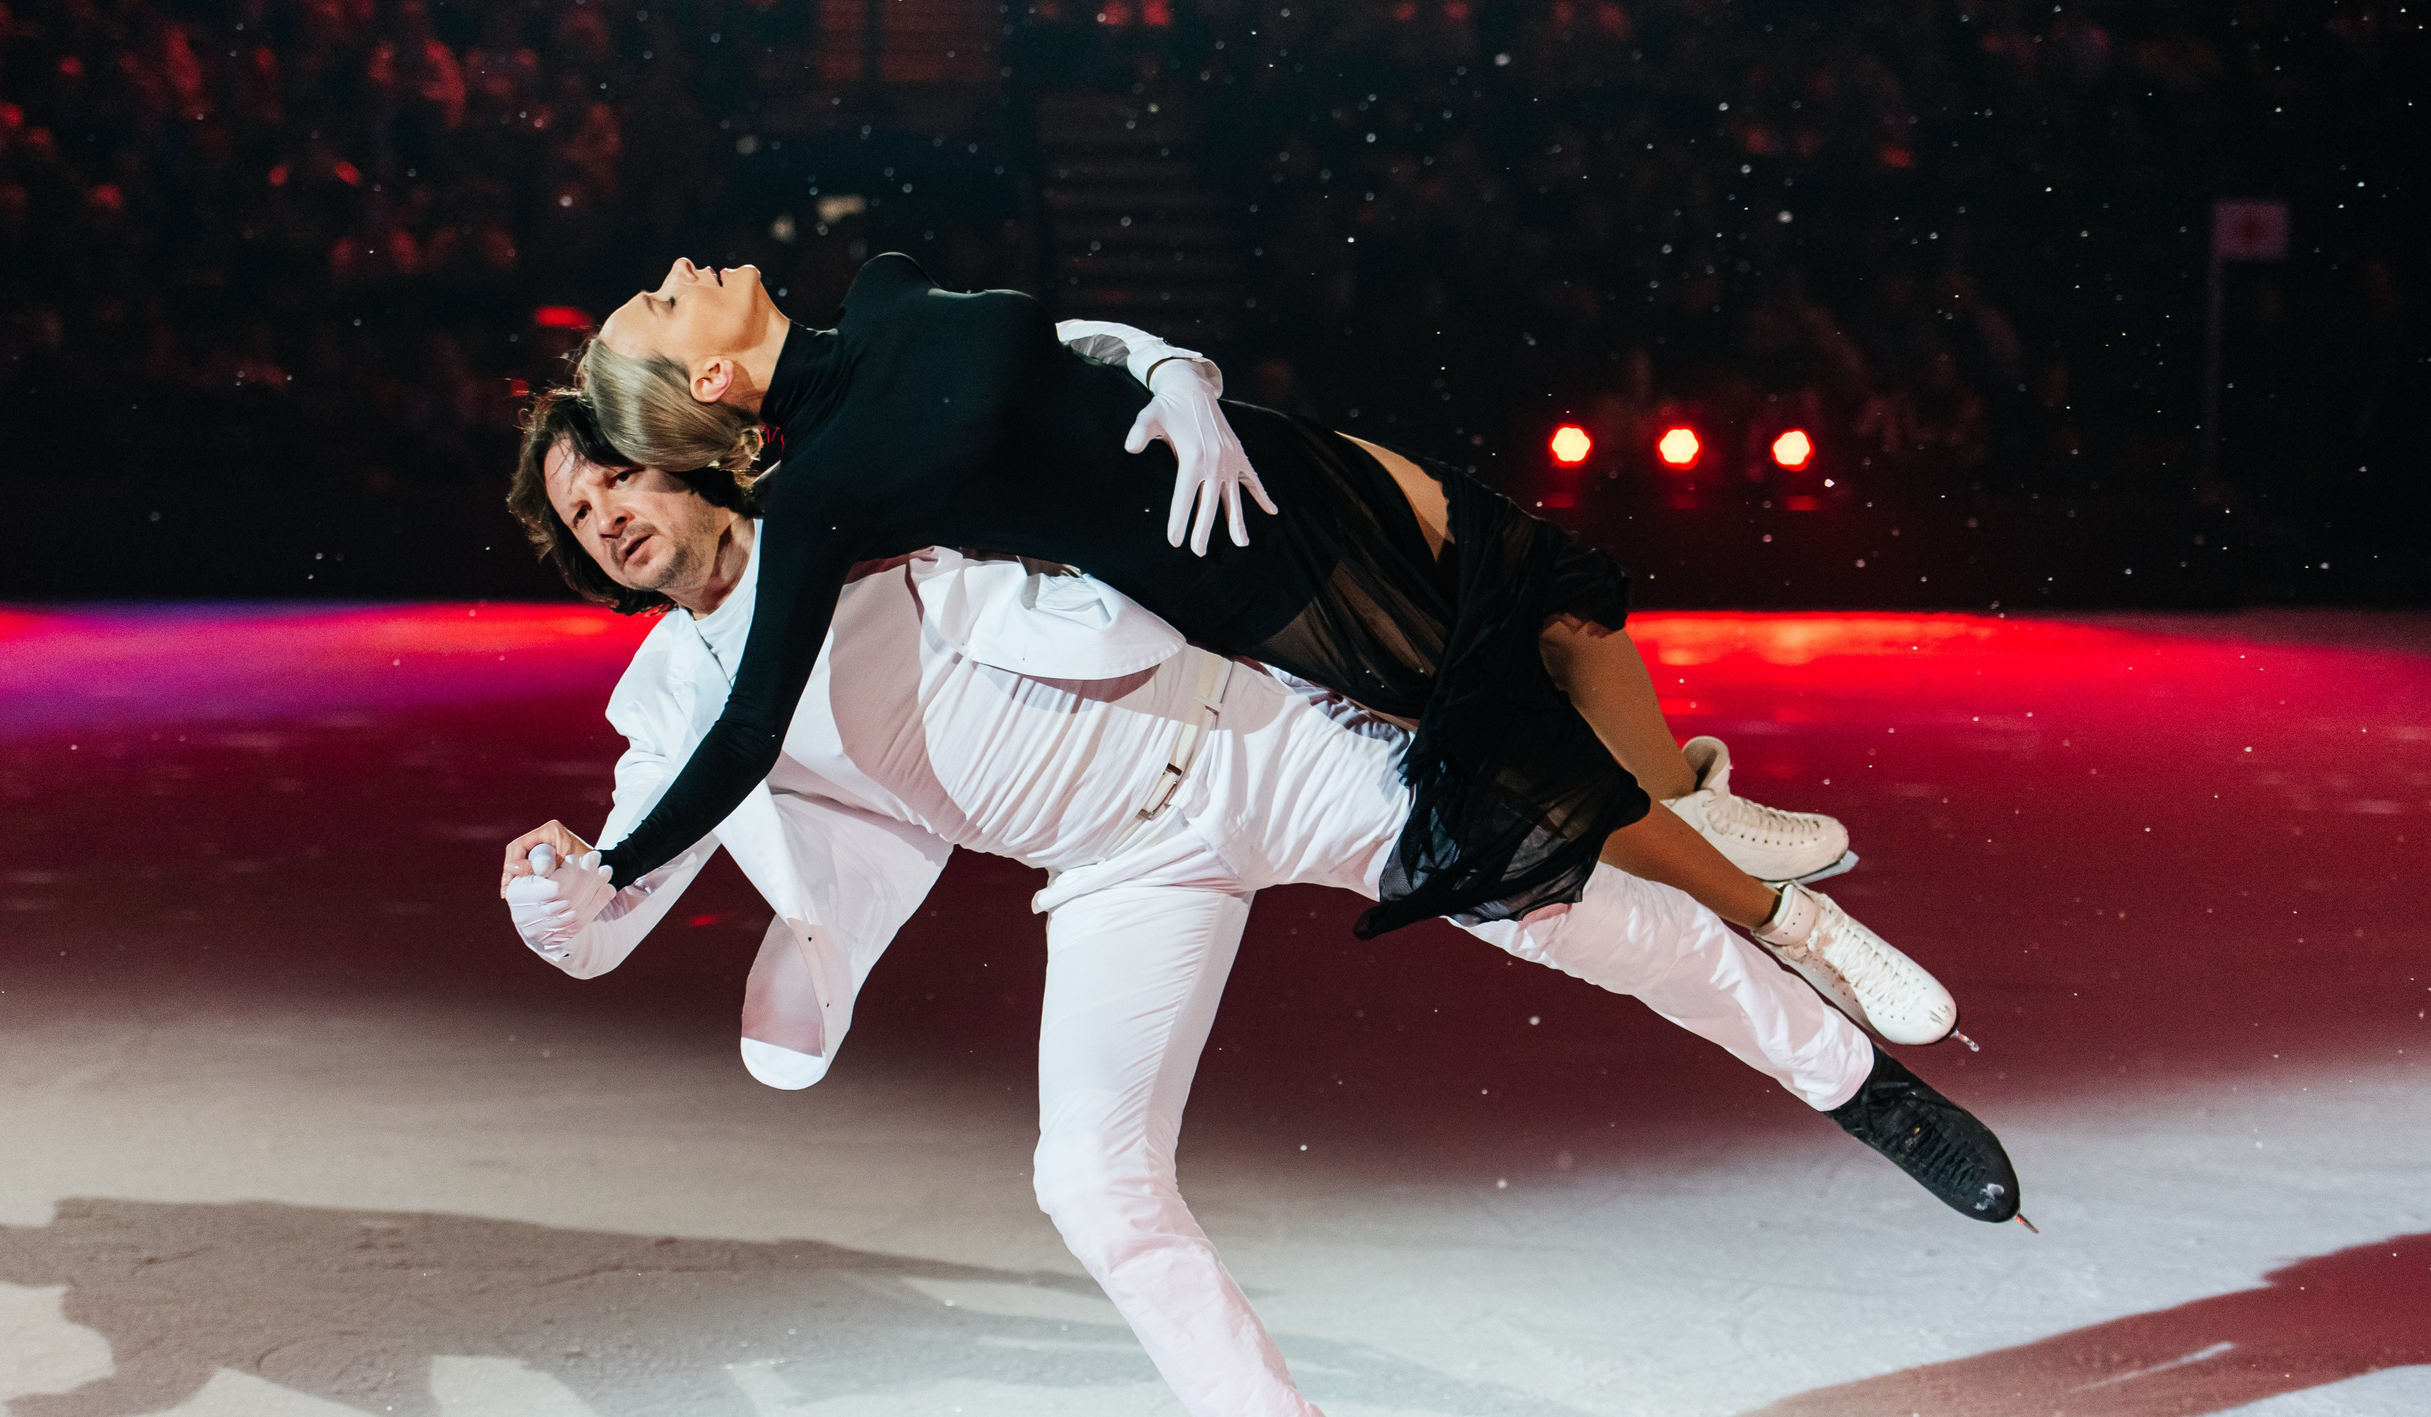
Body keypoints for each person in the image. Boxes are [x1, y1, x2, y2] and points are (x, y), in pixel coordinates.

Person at [496, 393, 2024, 1417]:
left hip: (1247, 735)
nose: (607, 519)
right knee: (1089, 1179)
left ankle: (1858, 1082)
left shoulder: (857, 498)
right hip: (1116, 876)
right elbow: (612, 902)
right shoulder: (673, 695)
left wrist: (1170, 382)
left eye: (613, 478)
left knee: (1568, 911)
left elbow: (1032, 377)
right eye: (578, 516)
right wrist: (553, 887)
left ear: (675, 456)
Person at [569, 255, 1960, 1047]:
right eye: (664, 306)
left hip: (1277, 458)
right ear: (714, 381)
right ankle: (1798, 929)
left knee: (1559, 594)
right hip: (1254, 575)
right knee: (1534, 763)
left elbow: (1075, 341)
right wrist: (620, 863)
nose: (680, 272)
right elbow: (745, 731)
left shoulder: (884, 292)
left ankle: (1690, 809)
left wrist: (1178, 376)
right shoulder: (826, 498)